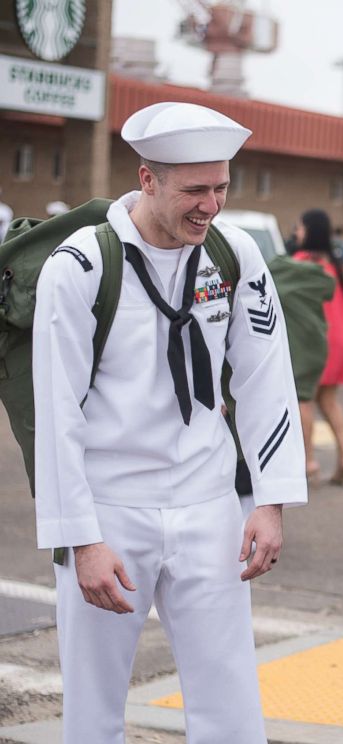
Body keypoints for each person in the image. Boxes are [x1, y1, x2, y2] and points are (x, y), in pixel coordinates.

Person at [32, 101, 307, 742]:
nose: (210, 206)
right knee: (95, 710)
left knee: (230, 699)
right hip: (110, 508)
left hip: (208, 502)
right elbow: (56, 414)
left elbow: (267, 377)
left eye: (221, 188)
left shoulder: (233, 254)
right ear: (148, 179)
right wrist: (81, 540)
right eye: (195, 190)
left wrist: (271, 501)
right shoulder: (80, 266)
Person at [292, 209, 343, 485]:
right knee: (329, 401)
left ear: (310, 231)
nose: (296, 232)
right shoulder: (336, 266)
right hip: (341, 340)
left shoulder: (301, 263)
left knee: (303, 399)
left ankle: (309, 462)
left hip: (315, 340)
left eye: (300, 227)